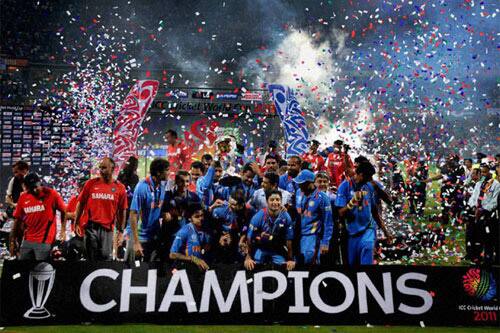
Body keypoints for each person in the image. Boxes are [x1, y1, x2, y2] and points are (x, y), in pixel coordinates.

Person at [336, 162, 390, 266]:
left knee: (367, 248)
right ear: (360, 174)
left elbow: (374, 211)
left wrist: (385, 231)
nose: (369, 180)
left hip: (368, 229)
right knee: (353, 264)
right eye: (368, 177)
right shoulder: (344, 187)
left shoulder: (368, 187)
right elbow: (340, 212)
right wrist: (352, 202)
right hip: (351, 232)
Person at [75, 157, 128, 261]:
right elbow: (80, 204)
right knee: (91, 256)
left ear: (112, 169)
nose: (101, 170)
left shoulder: (120, 188)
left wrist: (121, 231)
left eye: (104, 168)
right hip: (91, 226)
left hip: (108, 228)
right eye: (100, 168)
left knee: (105, 257)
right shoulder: (90, 184)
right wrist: (76, 222)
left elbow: (122, 211)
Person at [10, 173, 66, 260]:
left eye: (36, 186)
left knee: (40, 269)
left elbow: (64, 211)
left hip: (45, 241)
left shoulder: (52, 194)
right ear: (27, 187)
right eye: (32, 188)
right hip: (27, 239)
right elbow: (17, 220)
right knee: (23, 268)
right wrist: (13, 241)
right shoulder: (23, 197)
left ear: (40, 182)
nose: (35, 189)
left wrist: (63, 230)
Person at [127, 158, 169, 262]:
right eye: (167, 170)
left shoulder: (163, 186)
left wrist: (164, 214)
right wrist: (136, 242)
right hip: (140, 237)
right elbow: (133, 213)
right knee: (137, 272)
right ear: (159, 173)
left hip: (155, 237)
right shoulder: (142, 187)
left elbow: (157, 206)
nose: (169, 173)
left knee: (152, 272)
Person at [244, 190, 295, 270]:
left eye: (277, 200)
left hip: (277, 249)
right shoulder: (258, 216)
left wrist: (290, 259)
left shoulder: (286, 216)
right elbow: (249, 238)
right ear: (267, 201)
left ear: (281, 201)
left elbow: (289, 241)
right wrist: (248, 257)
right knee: (254, 265)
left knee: (284, 267)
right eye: (272, 200)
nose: (275, 202)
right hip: (261, 247)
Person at [294, 169, 334, 265]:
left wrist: (325, 242)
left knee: (308, 264)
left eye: (301, 183)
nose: (299, 185)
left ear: (310, 183)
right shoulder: (299, 192)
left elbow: (328, 222)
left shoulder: (323, 198)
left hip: (312, 237)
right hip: (298, 235)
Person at [161, 170, 201, 257]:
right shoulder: (167, 195)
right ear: (176, 181)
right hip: (170, 235)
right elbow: (160, 212)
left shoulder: (194, 197)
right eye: (181, 181)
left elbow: (200, 214)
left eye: (187, 181)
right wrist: (164, 215)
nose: (184, 184)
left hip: (187, 237)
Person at [467, 164, 499, 265]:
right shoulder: (478, 184)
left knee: (487, 237)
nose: (484, 174)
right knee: (473, 235)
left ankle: (488, 257)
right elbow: (473, 198)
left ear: (490, 172)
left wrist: (483, 210)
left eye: (485, 172)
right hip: (475, 212)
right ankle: (474, 256)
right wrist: (473, 206)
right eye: (482, 172)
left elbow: (494, 202)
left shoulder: (496, 185)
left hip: (487, 214)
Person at [210, 189, 251, 263]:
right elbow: (213, 227)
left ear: (241, 205)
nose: (230, 206)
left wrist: (241, 242)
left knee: (241, 252)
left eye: (233, 205)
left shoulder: (248, 212)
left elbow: (246, 229)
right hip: (221, 234)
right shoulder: (219, 210)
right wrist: (220, 236)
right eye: (229, 203)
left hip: (237, 235)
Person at [169, 202, 212, 271]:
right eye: (197, 216)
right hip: (184, 269)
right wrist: (193, 259)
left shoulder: (206, 229)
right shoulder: (184, 231)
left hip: (200, 268)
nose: (201, 218)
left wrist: (204, 250)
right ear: (190, 218)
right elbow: (172, 254)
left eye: (202, 215)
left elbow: (206, 247)